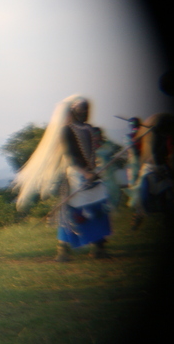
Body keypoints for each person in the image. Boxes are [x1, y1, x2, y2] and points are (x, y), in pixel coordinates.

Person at [13, 95, 111, 262]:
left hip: (92, 174)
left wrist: (97, 164)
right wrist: (85, 172)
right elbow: (70, 156)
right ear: (73, 111)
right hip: (76, 175)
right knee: (73, 213)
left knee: (98, 209)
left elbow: (98, 149)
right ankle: (63, 250)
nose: (85, 113)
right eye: (82, 110)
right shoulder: (66, 130)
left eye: (87, 110)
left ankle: (98, 246)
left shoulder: (90, 129)